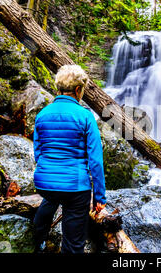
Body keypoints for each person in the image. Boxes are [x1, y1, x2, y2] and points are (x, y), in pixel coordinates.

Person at [32, 64, 106, 253]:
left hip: (44, 184)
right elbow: (96, 161)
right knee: (73, 244)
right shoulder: (85, 116)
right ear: (78, 90)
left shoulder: (42, 115)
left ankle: (38, 241)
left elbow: (38, 152)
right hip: (75, 187)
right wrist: (99, 197)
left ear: (58, 88)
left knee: (52, 197)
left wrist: (49, 173)